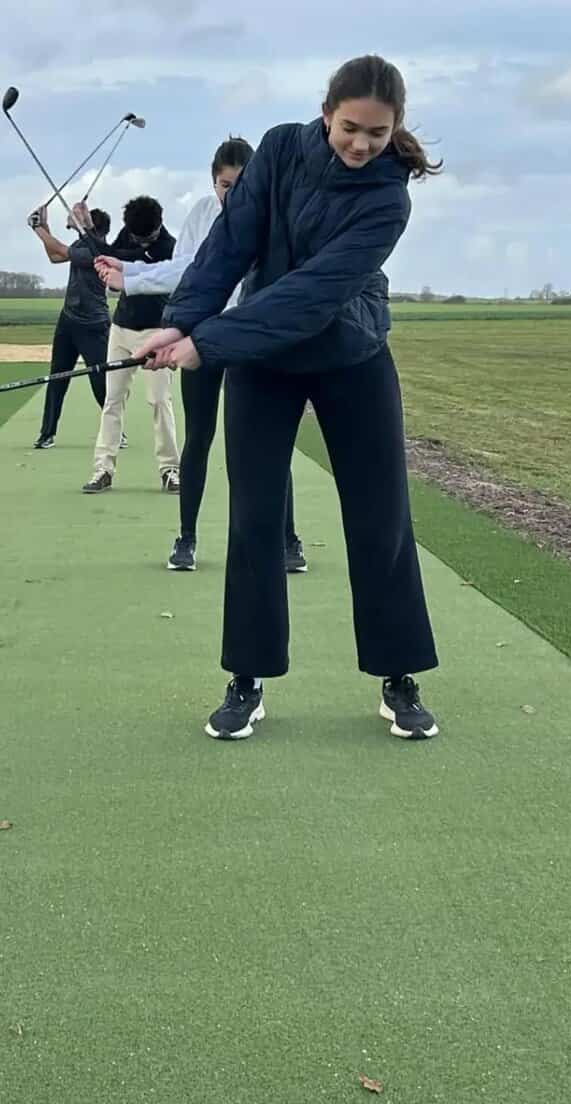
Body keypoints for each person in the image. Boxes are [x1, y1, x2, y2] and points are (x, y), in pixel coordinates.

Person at [140, 55, 441, 743]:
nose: (361, 144)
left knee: (381, 518)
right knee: (254, 519)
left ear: (396, 128)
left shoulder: (388, 198)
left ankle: (398, 678)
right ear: (326, 111)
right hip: (263, 358)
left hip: (351, 352)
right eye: (349, 128)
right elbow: (228, 246)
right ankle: (247, 679)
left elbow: (312, 295)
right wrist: (184, 320)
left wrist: (212, 342)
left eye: (377, 132)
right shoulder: (278, 149)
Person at [95, 138, 306, 575]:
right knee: (199, 437)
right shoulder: (202, 215)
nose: (231, 192)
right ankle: (186, 538)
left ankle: (288, 540)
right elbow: (191, 269)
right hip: (203, 339)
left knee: (267, 443)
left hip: (252, 339)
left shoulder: (273, 215)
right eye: (224, 184)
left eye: (240, 183)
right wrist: (129, 273)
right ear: (214, 182)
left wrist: (131, 275)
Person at [80, 196, 181, 495]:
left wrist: (103, 248)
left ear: (158, 226)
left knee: (160, 401)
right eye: (134, 236)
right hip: (121, 329)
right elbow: (110, 253)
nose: (138, 241)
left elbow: (129, 259)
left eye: (144, 237)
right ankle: (103, 468)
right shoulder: (130, 233)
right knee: (112, 400)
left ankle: (170, 469)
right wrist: (87, 229)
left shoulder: (169, 248)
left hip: (155, 333)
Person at [28, 204, 116, 450]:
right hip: (68, 320)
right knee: (57, 377)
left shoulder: (97, 250)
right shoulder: (80, 245)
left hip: (93, 324)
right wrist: (44, 226)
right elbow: (55, 256)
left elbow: (58, 248)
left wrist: (37, 228)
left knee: (99, 381)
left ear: (92, 227)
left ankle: (116, 431)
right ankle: (47, 433)